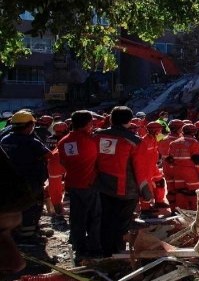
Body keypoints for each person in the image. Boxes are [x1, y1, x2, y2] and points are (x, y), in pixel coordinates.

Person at [93, 106, 152, 256]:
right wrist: (146, 192)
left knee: (104, 219)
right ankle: (116, 253)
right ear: (129, 121)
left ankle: (103, 250)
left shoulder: (97, 136)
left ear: (111, 119)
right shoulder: (135, 142)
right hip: (126, 190)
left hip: (101, 186)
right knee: (120, 224)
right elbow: (141, 169)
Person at [58, 110, 102, 262]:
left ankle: (79, 246)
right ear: (88, 123)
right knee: (94, 218)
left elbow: (63, 162)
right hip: (89, 184)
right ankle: (94, 249)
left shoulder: (63, 141)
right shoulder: (91, 140)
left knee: (77, 217)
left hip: (73, 184)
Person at [0, 110, 51, 239]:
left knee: (15, 205)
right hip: (31, 181)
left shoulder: (5, 139)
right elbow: (48, 156)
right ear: (29, 126)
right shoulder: (32, 142)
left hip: (10, 181)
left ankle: (16, 232)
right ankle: (28, 235)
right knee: (32, 207)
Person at [168, 123, 199, 210]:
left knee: (180, 192)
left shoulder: (174, 143)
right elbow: (197, 159)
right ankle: (195, 212)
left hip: (177, 172)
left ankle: (182, 213)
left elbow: (170, 159)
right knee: (195, 193)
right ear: (194, 132)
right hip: (191, 172)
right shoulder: (194, 142)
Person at [138, 121, 165, 214]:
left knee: (160, 181)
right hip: (146, 167)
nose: (160, 132)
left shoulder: (154, 138)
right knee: (147, 186)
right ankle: (145, 208)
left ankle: (159, 201)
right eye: (159, 130)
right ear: (155, 130)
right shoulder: (144, 141)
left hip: (153, 166)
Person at [46, 121, 70, 217]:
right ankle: (58, 208)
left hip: (51, 164)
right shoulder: (65, 139)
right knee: (58, 186)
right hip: (60, 163)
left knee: (54, 185)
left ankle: (54, 206)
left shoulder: (49, 139)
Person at [158, 119, 183, 209]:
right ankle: (180, 210)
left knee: (171, 189)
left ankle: (173, 209)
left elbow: (162, 154)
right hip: (178, 168)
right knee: (180, 190)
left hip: (167, 168)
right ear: (178, 129)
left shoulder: (163, 139)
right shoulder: (180, 140)